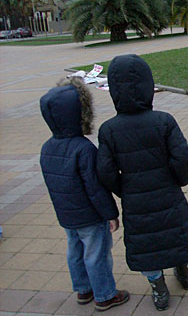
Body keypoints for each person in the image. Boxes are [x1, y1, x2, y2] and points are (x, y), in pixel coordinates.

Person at [96, 54, 188, 311]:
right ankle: (183, 271)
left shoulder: (109, 130)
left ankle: (158, 288)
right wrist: (179, 180)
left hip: (135, 198)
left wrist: (125, 190)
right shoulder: (164, 121)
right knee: (176, 234)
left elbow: (105, 170)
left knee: (147, 245)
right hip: (168, 192)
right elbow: (182, 156)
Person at [39, 77, 129, 312]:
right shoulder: (84, 148)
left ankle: (83, 289)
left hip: (67, 215)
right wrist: (111, 214)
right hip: (90, 216)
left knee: (75, 250)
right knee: (96, 254)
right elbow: (95, 188)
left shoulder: (47, 147)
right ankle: (105, 294)